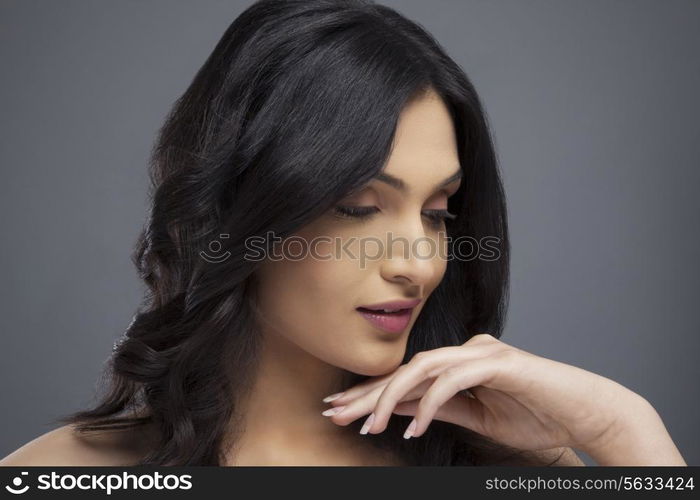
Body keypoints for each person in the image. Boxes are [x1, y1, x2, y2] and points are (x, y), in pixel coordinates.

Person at [1, 0, 686, 467]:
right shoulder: (60, 473)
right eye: (360, 208)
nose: (418, 263)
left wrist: (621, 429)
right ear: (242, 212)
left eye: (439, 213)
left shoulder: (519, 466)